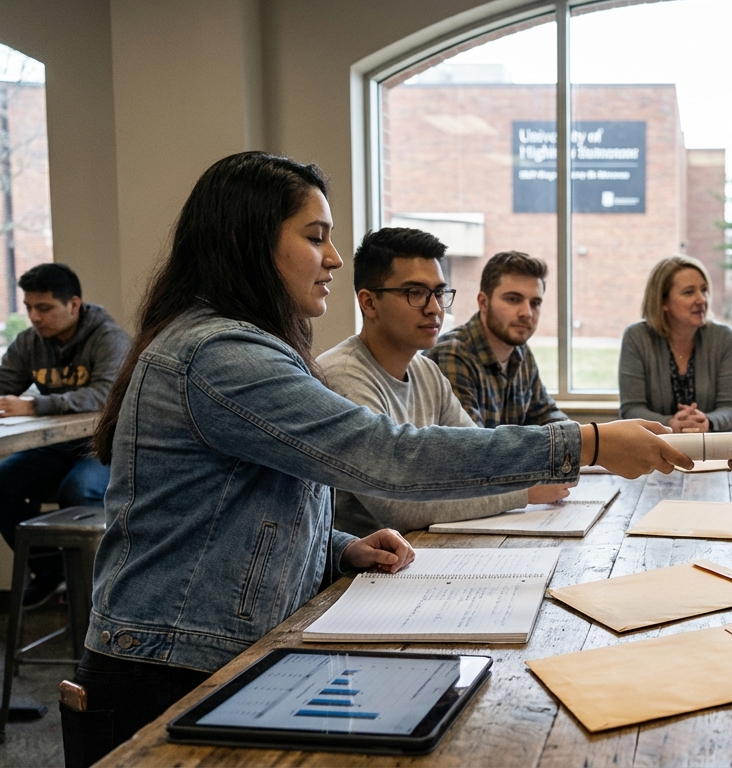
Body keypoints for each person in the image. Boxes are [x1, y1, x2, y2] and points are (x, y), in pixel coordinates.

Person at [69, 151, 689, 763]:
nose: (334, 257)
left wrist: (334, 545)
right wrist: (589, 443)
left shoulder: (245, 343)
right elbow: (384, 456)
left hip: (208, 647)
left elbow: (244, 501)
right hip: (168, 662)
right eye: (316, 237)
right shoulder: (221, 353)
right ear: (250, 242)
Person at [319, 227, 573, 536]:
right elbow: (399, 507)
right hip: (359, 575)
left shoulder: (427, 372)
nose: (435, 308)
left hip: (423, 549)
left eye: (439, 293)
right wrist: (523, 493)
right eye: (415, 293)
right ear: (369, 303)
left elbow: (480, 456)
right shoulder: (343, 376)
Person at [0, 263, 130, 608]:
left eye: (44, 308)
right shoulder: (30, 342)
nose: (34, 317)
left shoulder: (107, 337)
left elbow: (105, 394)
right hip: (56, 446)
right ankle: (51, 573)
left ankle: (97, 596)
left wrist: (32, 406)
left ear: (74, 304)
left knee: (78, 489)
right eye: (28, 307)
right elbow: (3, 384)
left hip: (103, 447)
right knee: (3, 480)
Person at [426, 251, 565, 428]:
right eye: (513, 299)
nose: (527, 313)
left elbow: (546, 414)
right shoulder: (452, 353)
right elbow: (476, 447)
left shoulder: (520, 350)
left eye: (535, 303)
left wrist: (578, 439)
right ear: (483, 303)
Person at [618, 256, 732, 432]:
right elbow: (631, 410)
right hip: (653, 447)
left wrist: (707, 421)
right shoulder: (637, 337)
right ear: (663, 302)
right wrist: (670, 424)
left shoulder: (722, 337)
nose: (702, 300)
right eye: (689, 292)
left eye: (704, 290)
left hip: (710, 448)